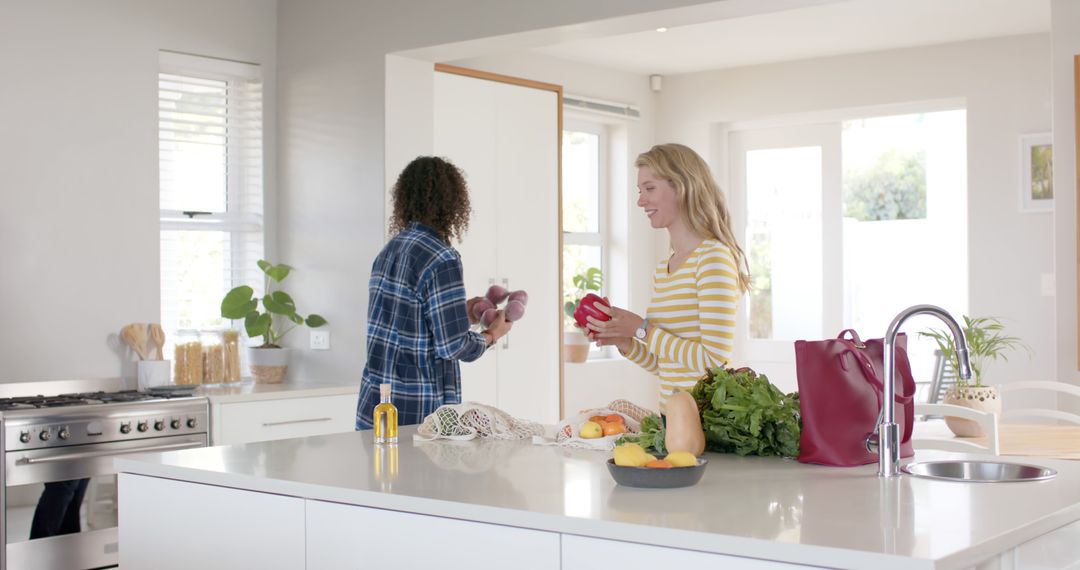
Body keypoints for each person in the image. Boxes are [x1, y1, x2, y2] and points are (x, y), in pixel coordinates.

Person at [586, 143, 751, 413]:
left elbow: (712, 360)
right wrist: (624, 340)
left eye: (650, 188)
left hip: (706, 425)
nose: (641, 201)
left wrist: (641, 329)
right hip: (671, 421)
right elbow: (667, 366)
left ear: (683, 186)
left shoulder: (713, 258)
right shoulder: (666, 267)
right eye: (640, 191)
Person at [356, 156, 513, 429]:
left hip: (377, 403)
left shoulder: (390, 250)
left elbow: (407, 321)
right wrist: (491, 336)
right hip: (419, 408)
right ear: (453, 203)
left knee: (378, 472)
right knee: (423, 474)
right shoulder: (442, 258)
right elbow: (452, 346)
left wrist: (461, 313)